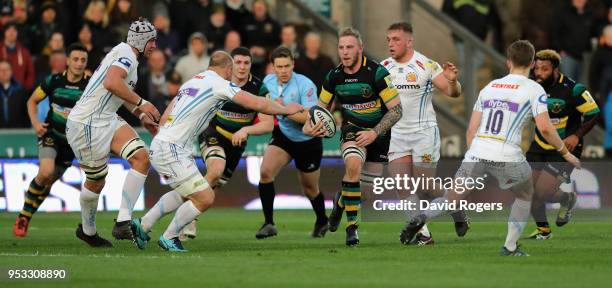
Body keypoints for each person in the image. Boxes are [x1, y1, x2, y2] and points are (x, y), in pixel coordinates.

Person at [398, 40, 581, 256]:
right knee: (525, 194)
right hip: (508, 155)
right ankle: (510, 247)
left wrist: (474, 157)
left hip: (477, 152)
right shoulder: (534, 89)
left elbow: (471, 129)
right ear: (532, 64)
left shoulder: (490, 87)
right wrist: (566, 153)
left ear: (508, 62)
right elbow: (546, 128)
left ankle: (423, 216)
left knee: (451, 199)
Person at [128, 51, 303, 252]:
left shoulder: (193, 81)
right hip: (172, 149)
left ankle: (143, 225)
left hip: (164, 144)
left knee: (186, 192)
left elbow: (169, 109)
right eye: (234, 68)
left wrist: (161, 132)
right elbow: (256, 103)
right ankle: (170, 237)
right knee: (205, 197)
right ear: (228, 69)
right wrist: (287, 110)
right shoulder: (220, 83)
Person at [66, 18, 161, 247]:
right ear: (142, 41)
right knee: (96, 181)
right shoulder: (127, 54)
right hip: (87, 124)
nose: (154, 46)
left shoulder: (127, 55)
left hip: (105, 118)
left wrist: (140, 115)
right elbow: (111, 82)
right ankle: (88, 232)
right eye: (152, 41)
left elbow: (120, 91)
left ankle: (123, 222)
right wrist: (143, 102)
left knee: (141, 157)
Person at [303, 27, 402, 246]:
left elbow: (397, 110)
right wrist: (310, 126)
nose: (345, 52)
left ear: (360, 49)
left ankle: (340, 202)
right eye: (341, 47)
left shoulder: (377, 73)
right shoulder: (333, 76)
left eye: (349, 47)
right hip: (351, 130)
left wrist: (374, 132)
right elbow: (319, 109)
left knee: (364, 194)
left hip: (379, 133)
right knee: (353, 166)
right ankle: (352, 229)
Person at [381, 22, 467, 246]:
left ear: (409, 41)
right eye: (389, 39)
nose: (391, 44)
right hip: (396, 134)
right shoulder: (383, 67)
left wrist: (453, 80)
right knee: (402, 186)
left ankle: (455, 207)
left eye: (396, 39)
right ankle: (424, 235)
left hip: (423, 133)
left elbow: (453, 93)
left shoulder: (426, 65)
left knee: (426, 186)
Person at [178, 46, 274, 240]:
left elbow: (268, 124)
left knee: (213, 184)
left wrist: (246, 129)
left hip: (237, 143)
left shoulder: (258, 88)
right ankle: (187, 220)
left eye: (246, 63)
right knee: (215, 171)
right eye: (238, 62)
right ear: (231, 64)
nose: (242, 67)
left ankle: (180, 202)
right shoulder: (220, 82)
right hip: (213, 132)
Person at [13, 43, 89, 237]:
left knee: (48, 183)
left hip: (72, 144)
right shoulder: (53, 81)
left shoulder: (90, 86)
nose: (79, 64)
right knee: (45, 172)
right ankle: (22, 215)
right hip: (51, 135)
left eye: (83, 60)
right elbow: (32, 100)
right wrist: (35, 123)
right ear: (67, 61)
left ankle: (27, 216)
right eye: (75, 59)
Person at [254, 46, 328, 239]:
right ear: (273, 67)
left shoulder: (305, 85)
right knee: (265, 172)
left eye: (287, 66)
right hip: (284, 136)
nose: (283, 70)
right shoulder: (267, 82)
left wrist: (282, 107)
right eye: (279, 66)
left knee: (310, 189)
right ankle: (269, 223)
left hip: (308, 141)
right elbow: (261, 107)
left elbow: (310, 118)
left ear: (293, 65)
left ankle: (322, 220)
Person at [526, 49, 600, 240]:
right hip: (539, 145)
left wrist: (577, 135)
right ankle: (543, 230)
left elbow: (593, 113)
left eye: (545, 69)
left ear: (555, 69)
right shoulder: (532, 86)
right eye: (537, 68)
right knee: (527, 189)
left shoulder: (574, 89)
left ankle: (567, 199)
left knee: (543, 191)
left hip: (565, 147)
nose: (539, 73)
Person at [0, 22, 35, 91]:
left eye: (14, 31)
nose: (11, 33)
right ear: (4, 33)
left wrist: (25, 89)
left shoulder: (24, 52)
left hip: (20, 91)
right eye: (8, 30)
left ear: (17, 33)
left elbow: (30, 73)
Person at [0, 60, 29, 128]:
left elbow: (27, 115)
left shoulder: (22, 91)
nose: (4, 72)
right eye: (1, 70)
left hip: (18, 133)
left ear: (11, 72)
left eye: (7, 69)